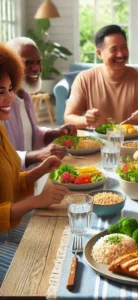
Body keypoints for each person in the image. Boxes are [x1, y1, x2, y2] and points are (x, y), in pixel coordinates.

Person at [0, 42, 69, 284]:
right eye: (1, 92)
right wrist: (36, 201)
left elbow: (8, 176)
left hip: (7, 223)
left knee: (62, 238)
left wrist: (40, 169)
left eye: (10, 88)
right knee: (44, 272)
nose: (11, 97)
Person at [64, 24, 138, 128]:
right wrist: (85, 120)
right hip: (97, 141)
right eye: (114, 49)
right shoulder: (84, 79)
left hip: (133, 142)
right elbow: (69, 118)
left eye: (124, 47)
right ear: (99, 53)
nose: (120, 54)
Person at [3, 37, 77, 170]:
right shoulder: (4, 105)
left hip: (31, 178)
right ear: (11, 65)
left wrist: (54, 134)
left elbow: (30, 135)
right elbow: (3, 157)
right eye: (28, 62)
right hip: (11, 185)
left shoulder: (25, 97)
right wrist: (38, 156)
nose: (36, 68)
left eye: (38, 62)